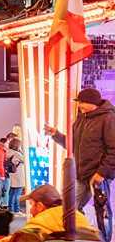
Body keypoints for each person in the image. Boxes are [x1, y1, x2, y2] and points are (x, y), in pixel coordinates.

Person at [46, 87, 115, 217]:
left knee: (99, 212)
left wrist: (102, 173)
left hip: (97, 174)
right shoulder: (81, 118)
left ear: (92, 102)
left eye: (82, 102)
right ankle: (78, 228)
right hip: (81, 174)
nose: (79, 105)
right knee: (70, 207)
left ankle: (100, 234)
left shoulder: (109, 118)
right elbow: (72, 144)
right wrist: (56, 134)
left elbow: (113, 150)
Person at [18, 183, 101, 241]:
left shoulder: (43, 219)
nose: (30, 210)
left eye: (32, 205)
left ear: (39, 206)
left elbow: (17, 240)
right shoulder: (78, 215)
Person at [6, 137, 27, 214]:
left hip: (12, 174)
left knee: (11, 192)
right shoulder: (17, 154)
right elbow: (25, 160)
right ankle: (16, 210)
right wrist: (21, 151)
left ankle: (10, 209)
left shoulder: (8, 152)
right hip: (18, 175)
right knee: (17, 193)